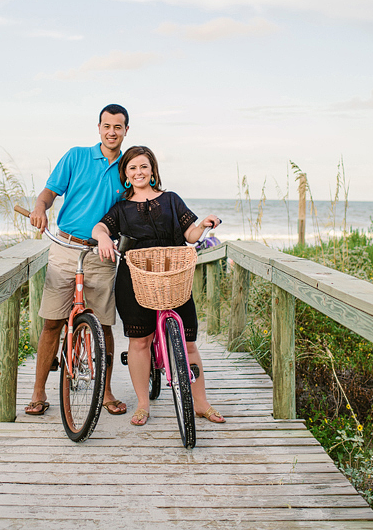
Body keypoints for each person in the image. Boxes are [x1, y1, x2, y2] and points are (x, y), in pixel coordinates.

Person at [91, 145, 225, 427]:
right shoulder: (121, 208)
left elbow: (190, 234)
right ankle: (143, 405)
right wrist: (103, 238)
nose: (138, 172)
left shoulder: (172, 200)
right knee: (140, 341)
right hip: (135, 278)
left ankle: (201, 403)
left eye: (143, 166)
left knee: (188, 343)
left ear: (152, 170)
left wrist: (204, 225)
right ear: (125, 175)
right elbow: (100, 228)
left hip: (173, 275)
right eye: (132, 168)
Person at [23, 104, 130, 417]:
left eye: (118, 127)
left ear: (126, 131)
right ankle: (39, 391)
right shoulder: (76, 156)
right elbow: (48, 194)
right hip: (65, 247)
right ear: (98, 128)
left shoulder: (128, 166)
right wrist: (41, 209)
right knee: (52, 322)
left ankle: (107, 390)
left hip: (103, 253)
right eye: (107, 126)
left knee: (104, 324)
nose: (112, 132)